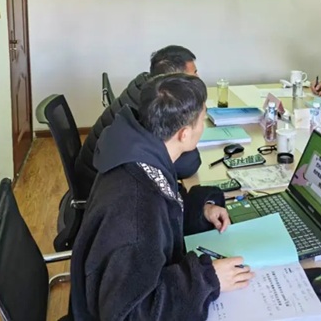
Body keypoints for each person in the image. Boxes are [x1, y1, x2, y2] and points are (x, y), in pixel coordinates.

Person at [70, 73, 254, 320]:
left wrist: (200, 211)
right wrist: (208, 279)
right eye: (202, 119)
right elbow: (131, 313)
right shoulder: (136, 210)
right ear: (184, 134)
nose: (203, 126)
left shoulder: (138, 156)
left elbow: (164, 212)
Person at [75, 45, 201, 198]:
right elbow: (187, 165)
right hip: (100, 192)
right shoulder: (154, 108)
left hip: (97, 177)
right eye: (193, 74)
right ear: (174, 80)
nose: (198, 79)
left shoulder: (145, 87)